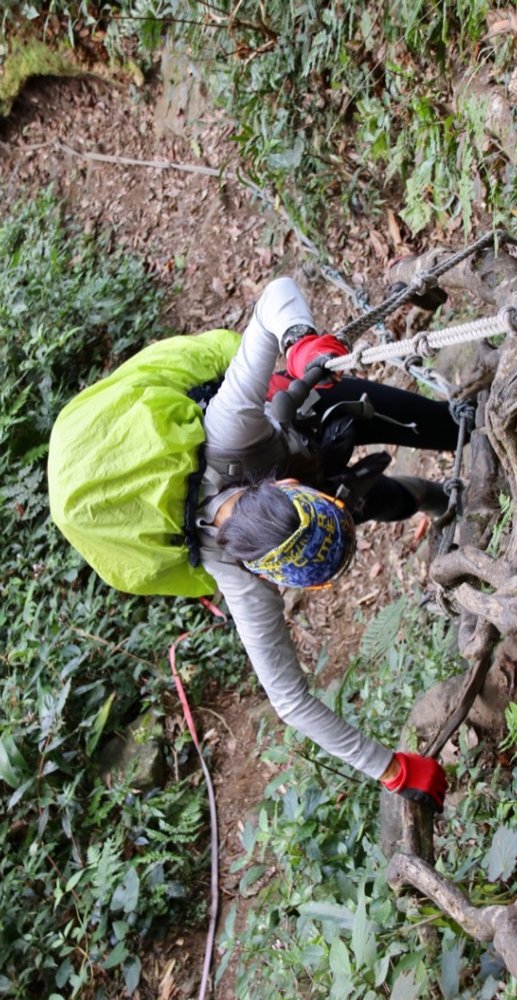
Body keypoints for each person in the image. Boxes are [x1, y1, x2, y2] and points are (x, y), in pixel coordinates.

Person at [195, 277, 455, 812]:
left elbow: (273, 296)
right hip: (303, 452)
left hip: (308, 414)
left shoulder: (229, 428)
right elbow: (288, 699)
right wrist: (392, 769)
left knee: (433, 425)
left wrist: (299, 340)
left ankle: (460, 436)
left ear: (289, 488)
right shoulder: (240, 578)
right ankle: (440, 500)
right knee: (379, 499)